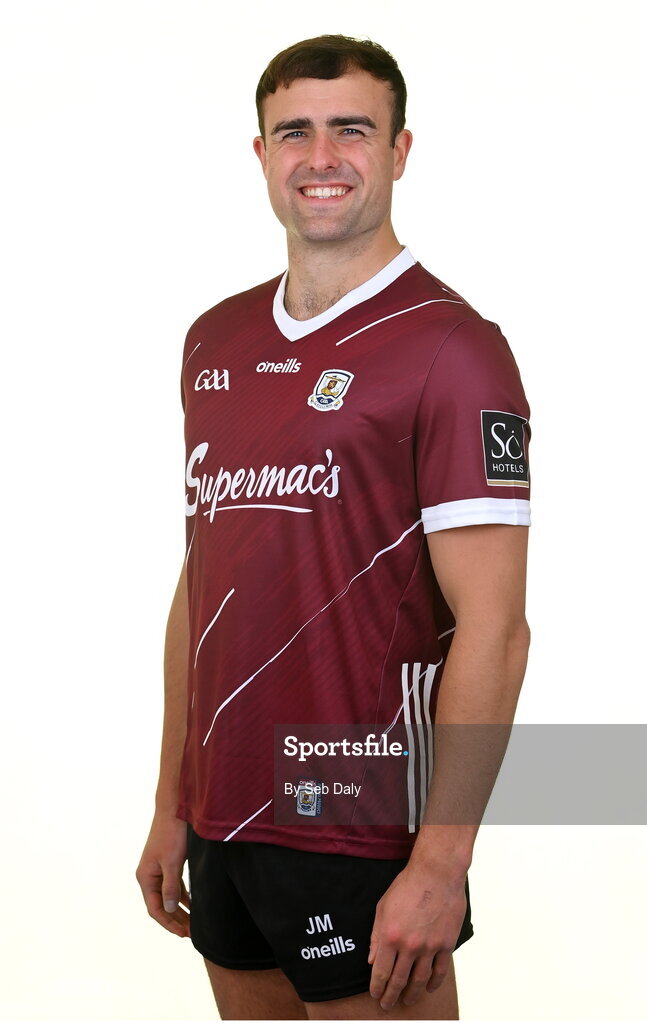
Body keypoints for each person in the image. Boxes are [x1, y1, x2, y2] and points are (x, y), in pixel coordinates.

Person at [136, 33, 531, 1021]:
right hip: (224, 820)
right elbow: (204, 579)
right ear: (262, 154)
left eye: (350, 130)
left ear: (397, 151)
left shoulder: (454, 350)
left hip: (359, 816)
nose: (320, 158)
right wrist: (169, 804)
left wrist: (440, 863)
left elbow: (495, 628)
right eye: (293, 132)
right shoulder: (212, 338)